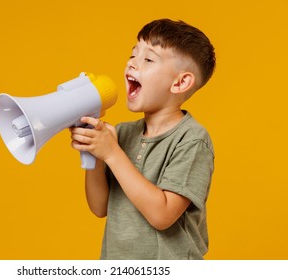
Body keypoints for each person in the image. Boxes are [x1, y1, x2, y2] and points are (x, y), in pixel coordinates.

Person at [70, 18, 216, 260]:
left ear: (180, 82)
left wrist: (111, 153)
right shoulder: (123, 133)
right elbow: (99, 207)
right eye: (132, 55)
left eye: (148, 59)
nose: (132, 64)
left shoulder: (191, 139)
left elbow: (162, 215)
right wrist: (93, 152)